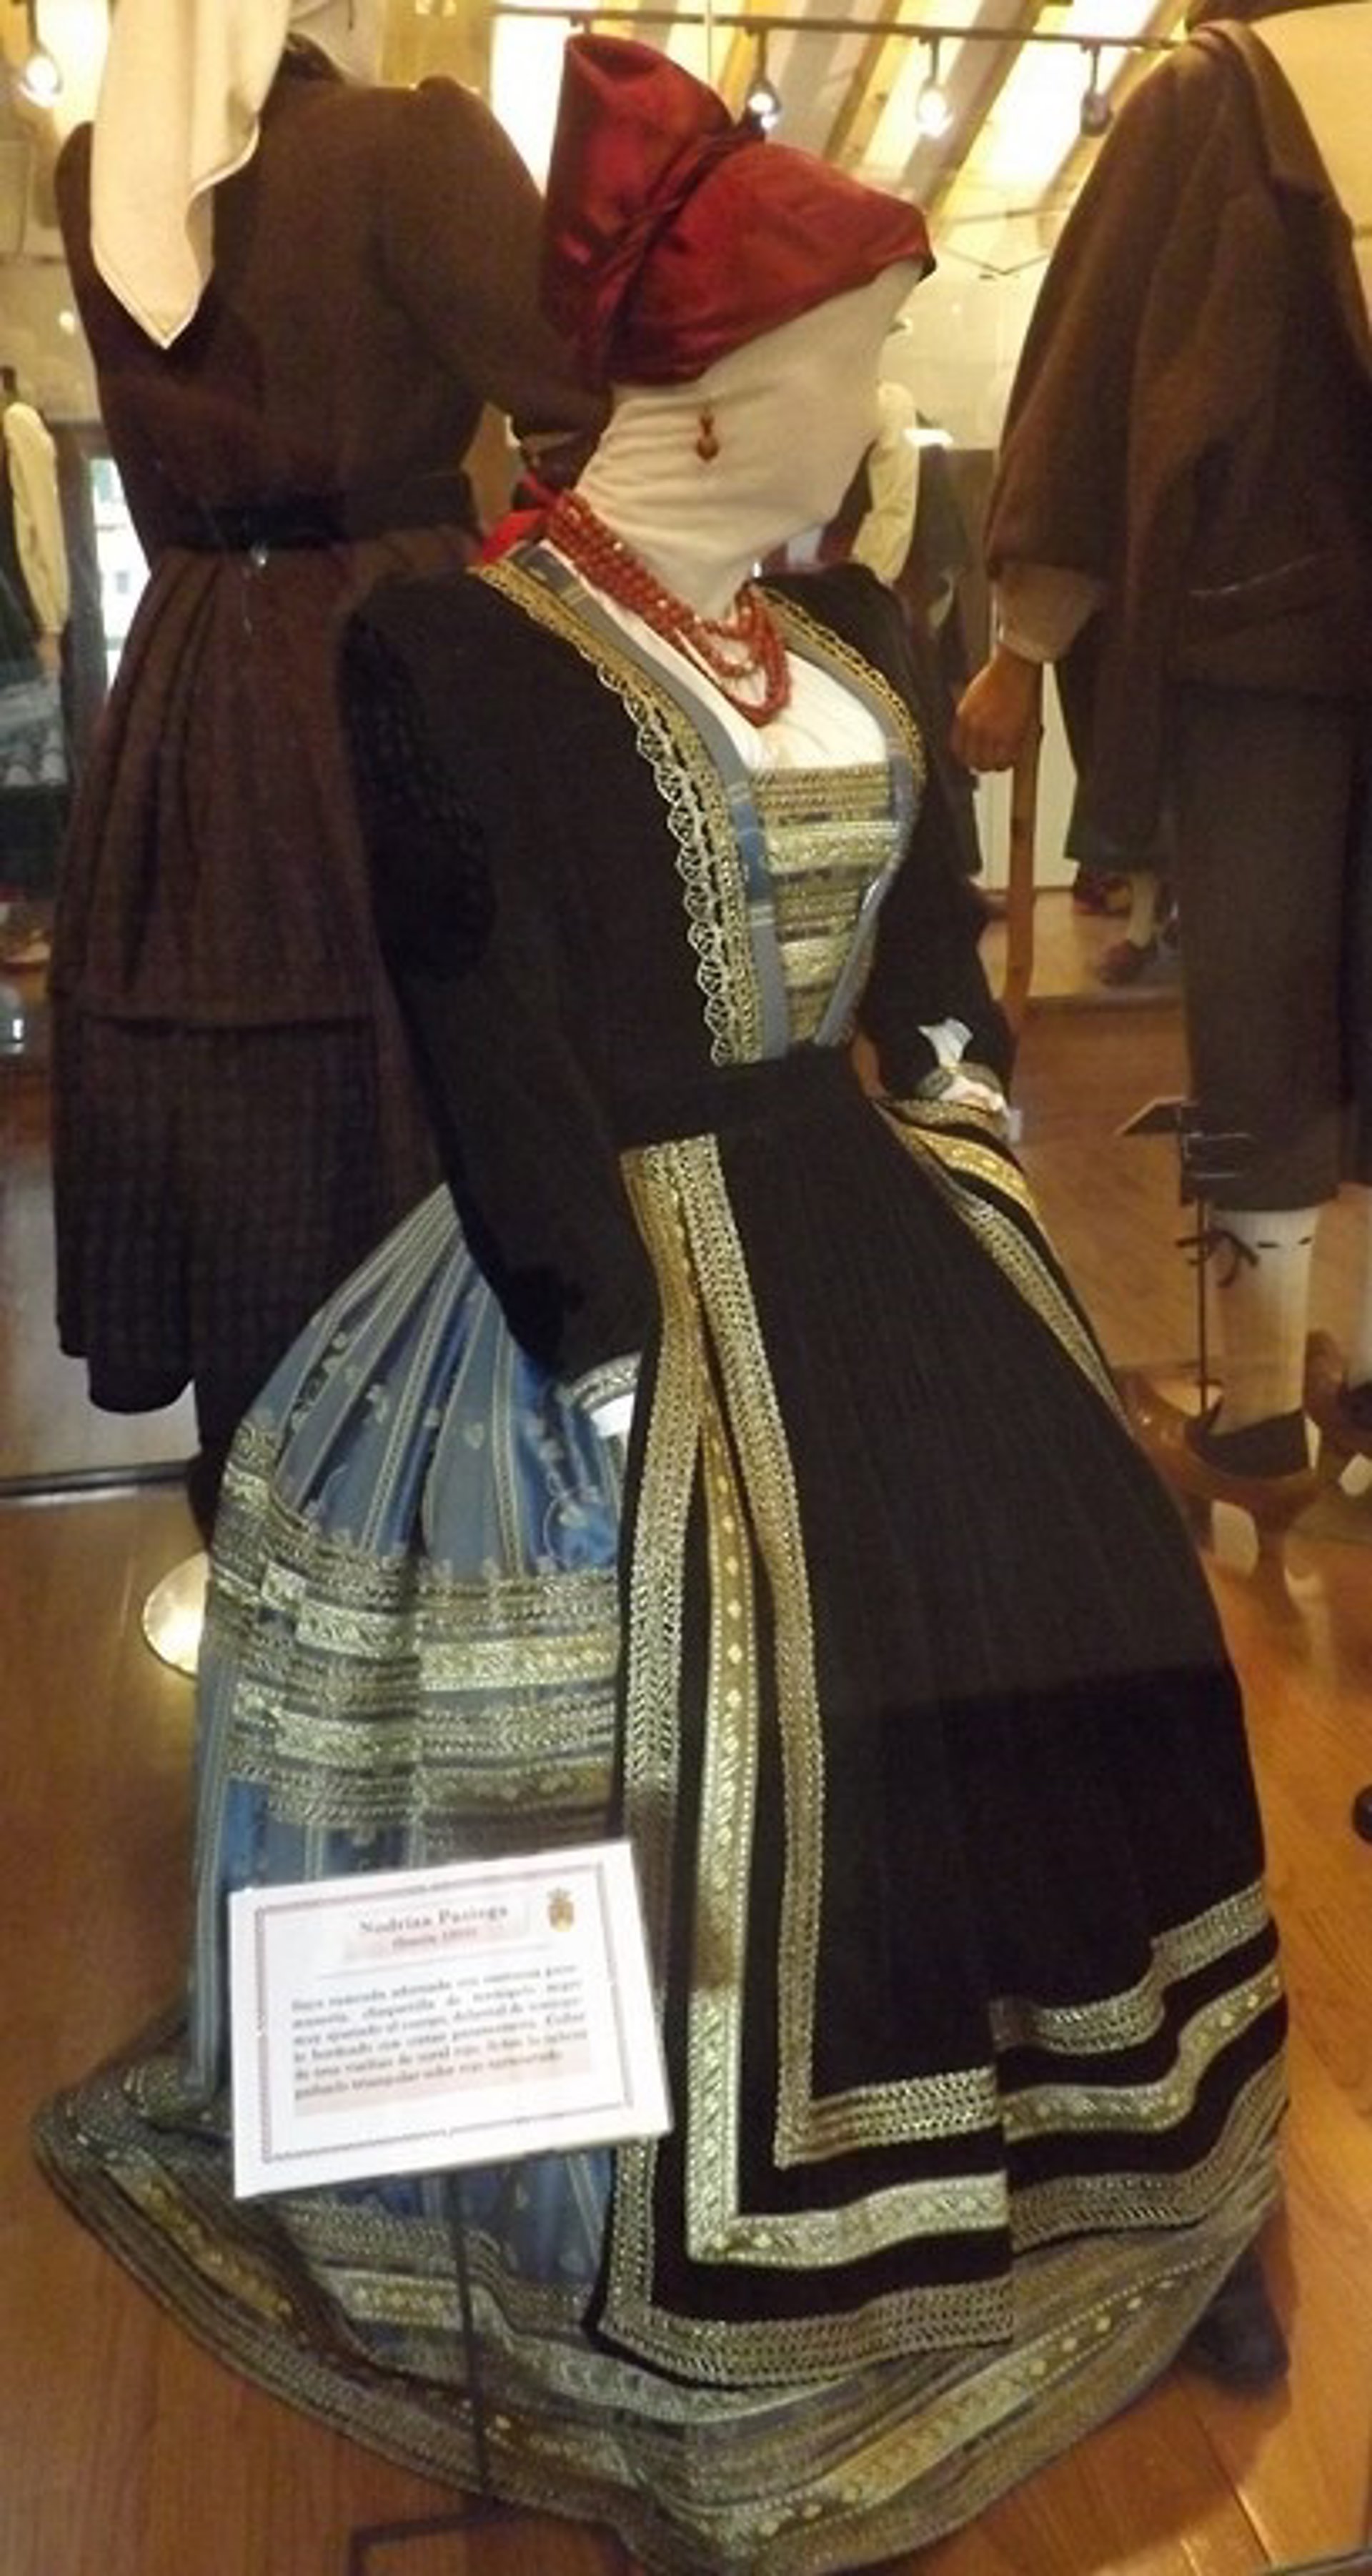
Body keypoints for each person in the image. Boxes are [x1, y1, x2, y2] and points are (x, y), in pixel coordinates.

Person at [37, 36, 1287, 2575]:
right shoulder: (456, 653)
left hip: (873, 1213)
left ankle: (1097, 2147)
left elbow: (921, 957)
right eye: (843, 370)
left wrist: (965, 1115)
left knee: (1080, 1620)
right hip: (620, 1249)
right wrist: (597, 1352)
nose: (869, 421)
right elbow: (488, 1038)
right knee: (736, 1711)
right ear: (708, 391)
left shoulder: (845, 617)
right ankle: (641, 2235)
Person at [49, 0, 603, 1537]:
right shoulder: (408, 145)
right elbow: (586, 402)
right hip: (387, 654)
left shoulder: (98, 171)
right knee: (420, 1058)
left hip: (189, 684)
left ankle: (261, 1501)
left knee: (240, 1082)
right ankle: (418, 1509)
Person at [953, 0, 1372, 1549]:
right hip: (1294, 645)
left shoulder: (1212, 96)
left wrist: (1021, 646)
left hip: (1263, 650)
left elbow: (1092, 382)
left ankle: (1259, 1418)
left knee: (1262, 1015)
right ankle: (1365, 1389)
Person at [0, 363, 69, 934]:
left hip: (14, 616)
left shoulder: (16, 425)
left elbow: (41, 529)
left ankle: (34, 915)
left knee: (27, 765)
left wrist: (50, 623)